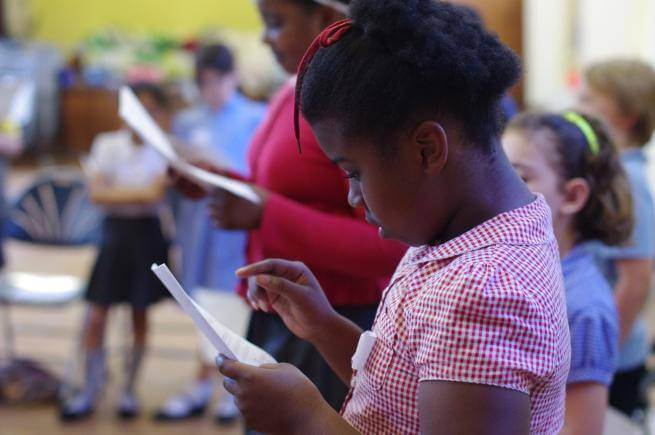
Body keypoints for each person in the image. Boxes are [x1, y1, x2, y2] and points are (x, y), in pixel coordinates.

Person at [214, 1, 570, 433]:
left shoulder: (487, 290)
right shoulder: (458, 235)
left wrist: (305, 416)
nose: (351, 196)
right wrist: (325, 326)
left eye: (355, 172)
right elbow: (408, 386)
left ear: (427, 149)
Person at [171, 0, 407, 413]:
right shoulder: (295, 87)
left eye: (275, 23)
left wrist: (267, 213)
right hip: (281, 312)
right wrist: (223, 186)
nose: (264, 38)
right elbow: (286, 189)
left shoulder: (356, 106)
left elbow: (390, 246)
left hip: (335, 324)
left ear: (326, 19)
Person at [153, 44, 265, 424]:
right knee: (199, 302)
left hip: (234, 230)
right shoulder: (187, 121)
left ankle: (230, 386)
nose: (212, 89)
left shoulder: (256, 117)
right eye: (204, 82)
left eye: (218, 81)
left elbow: (258, 178)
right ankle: (203, 381)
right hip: (196, 225)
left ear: (232, 77)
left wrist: (221, 167)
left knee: (231, 304)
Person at [503, 111, 633, 434]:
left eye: (520, 177)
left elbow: (580, 429)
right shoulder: (524, 270)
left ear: (572, 196)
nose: (500, 190)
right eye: (498, 173)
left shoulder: (584, 307)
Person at [60, 83, 171, 421]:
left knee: (140, 314)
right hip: (114, 236)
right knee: (96, 314)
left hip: (146, 236)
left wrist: (118, 191)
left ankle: (128, 390)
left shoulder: (164, 149)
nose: (142, 116)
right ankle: (90, 389)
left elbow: (153, 195)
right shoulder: (107, 144)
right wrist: (137, 193)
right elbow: (97, 195)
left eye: (151, 109)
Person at [578, 59, 655, 419]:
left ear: (624, 116)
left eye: (590, 99)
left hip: (614, 360)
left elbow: (636, 278)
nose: (579, 105)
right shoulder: (613, 172)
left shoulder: (627, 180)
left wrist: (603, 355)